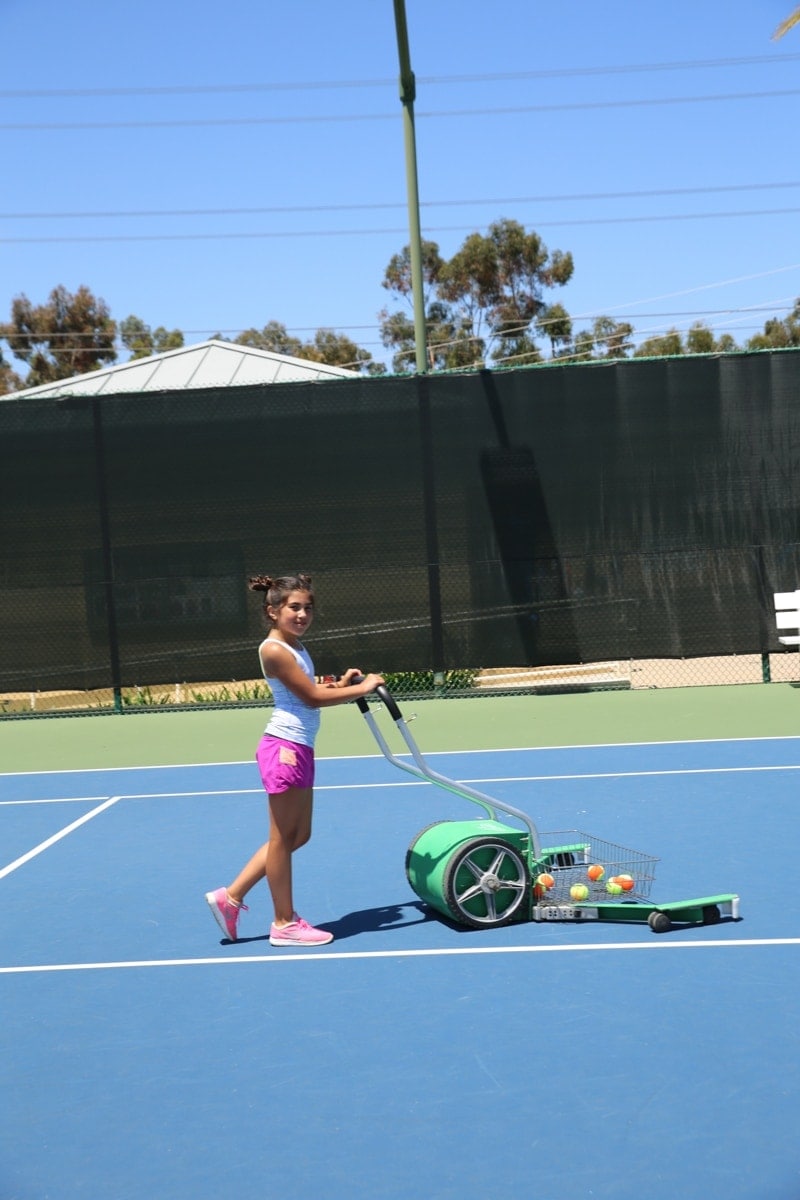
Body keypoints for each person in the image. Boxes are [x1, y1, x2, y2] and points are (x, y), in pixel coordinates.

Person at [205, 572, 384, 947]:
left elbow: (312, 690)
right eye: (294, 608)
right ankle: (284, 923)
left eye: (307, 608)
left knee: (297, 836)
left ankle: (231, 896)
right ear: (272, 611)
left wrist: (341, 685)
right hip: (283, 748)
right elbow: (310, 699)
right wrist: (362, 689)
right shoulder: (273, 650)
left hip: (300, 747)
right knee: (282, 839)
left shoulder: (296, 647)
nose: (302, 614)